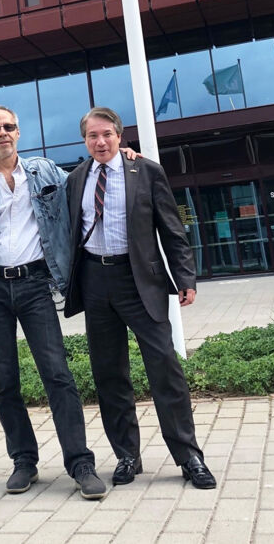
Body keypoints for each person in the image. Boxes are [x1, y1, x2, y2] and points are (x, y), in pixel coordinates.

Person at [0, 106, 141, 500]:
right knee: (4, 381)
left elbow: (88, 176)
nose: (3, 133)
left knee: (58, 375)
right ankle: (24, 461)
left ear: (19, 132)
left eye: (9, 127)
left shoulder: (45, 172)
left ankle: (80, 463)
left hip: (35, 284)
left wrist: (121, 156)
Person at [64, 107, 216, 490]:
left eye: (107, 135)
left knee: (165, 368)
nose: (100, 142)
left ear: (120, 136)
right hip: (95, 281)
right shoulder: (76, 178)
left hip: (140, 282)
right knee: (109, 374)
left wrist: (185, 277)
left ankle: (189, 456)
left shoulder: (145, 171)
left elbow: (171, 229)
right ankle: (127, 456)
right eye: (92, 136)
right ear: (85, 141)